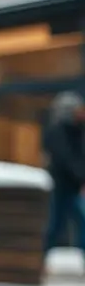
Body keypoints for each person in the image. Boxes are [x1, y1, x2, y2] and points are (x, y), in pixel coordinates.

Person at [42, 91, 85, 252]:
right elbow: (66, 159)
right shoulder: (58, 133)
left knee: (74, 224)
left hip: (73, 187)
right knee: (55, 226)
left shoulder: (78, 131)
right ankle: (40, 258)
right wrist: (81, 177)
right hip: (62, 187)